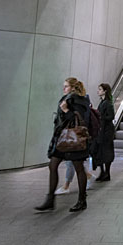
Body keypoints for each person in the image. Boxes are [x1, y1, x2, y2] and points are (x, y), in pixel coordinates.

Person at [35, 77, 91, 213]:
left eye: (66, 86)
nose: (63, 88)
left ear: (72, 87)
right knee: (53, 165)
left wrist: (66, 110)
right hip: (62, 139)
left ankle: (82, 200)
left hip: (73, 139)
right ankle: (50, 199)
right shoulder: (67, 98)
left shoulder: (78, 100)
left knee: (79, 168)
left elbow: (78, 119)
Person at [93, 83, 115, 182]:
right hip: (102, 131)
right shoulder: (103, 102)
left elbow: (111, 116)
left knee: (105, 152)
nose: (98, 91)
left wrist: (100, 116)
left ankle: (106, 173)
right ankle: (103, 172)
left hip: (106, 132)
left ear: (105, 91)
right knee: (101, 151)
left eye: (100, 89)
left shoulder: (107, 103)